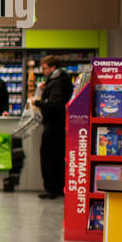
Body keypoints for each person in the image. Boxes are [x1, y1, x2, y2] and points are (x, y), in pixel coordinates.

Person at [30, 55, 73, 200]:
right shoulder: (60, 79)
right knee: (58, 157)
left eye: (44, 68)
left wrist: (38, 102)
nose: (42, 71)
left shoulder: (57, 83)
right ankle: (59, 187)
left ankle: (50, 189)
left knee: (48, 157)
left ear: (53, 68)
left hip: (53, 125)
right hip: (61, 126)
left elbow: (55, 104)